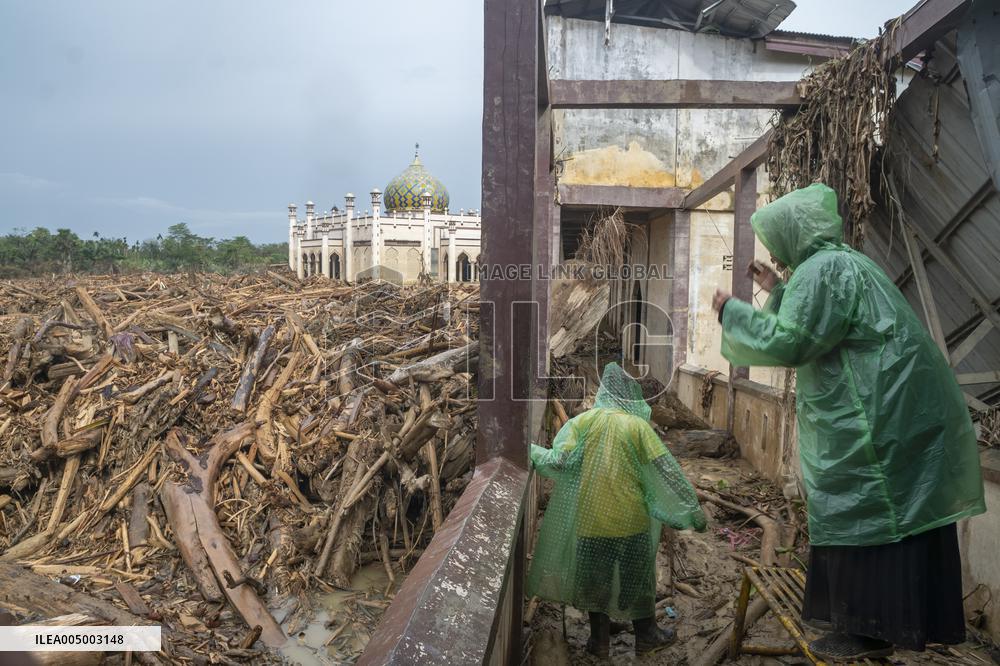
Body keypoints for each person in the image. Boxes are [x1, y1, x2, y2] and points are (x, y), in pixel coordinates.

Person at [712, 183, 986, 661]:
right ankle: (877, 625)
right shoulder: (841, 263)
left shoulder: (823, 270)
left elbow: (794, 341)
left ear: (795, 231)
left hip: (874, 417)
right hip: (892, 410)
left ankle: (867, 629)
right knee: (886, 515)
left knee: (865, 511)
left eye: (777, 237)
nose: (775, 251)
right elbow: (820, 323)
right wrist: (775, 290)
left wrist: (730, 313)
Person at [527, 363, 707, 658]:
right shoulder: (638, 428)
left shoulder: (583, 423)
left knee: (595, 584)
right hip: (631, 523)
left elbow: (559, 462)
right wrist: (692, 511)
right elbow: (666, 472)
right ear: (630, 396)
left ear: (605, 392)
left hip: (592, 523)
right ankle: (647, 635)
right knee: (637, 581)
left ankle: (598, 642)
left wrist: (530, 451)